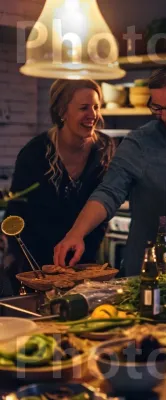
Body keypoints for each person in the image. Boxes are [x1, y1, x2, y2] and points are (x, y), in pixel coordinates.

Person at [54, 60, 166, 276]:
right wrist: (76, 233)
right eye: (157, 107)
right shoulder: (138, 143)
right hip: (145, 273)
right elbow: (109, 192)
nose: (165, 116)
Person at [1, 79, 115, 297]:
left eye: (96, 107)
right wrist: (30, 271)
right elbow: (17, 211)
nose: (93, 114)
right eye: (83, 108)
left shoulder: (105, 148)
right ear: (62, 111)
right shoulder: (35, 153)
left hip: (86, 263)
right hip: (37, 267)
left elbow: (106, 201)